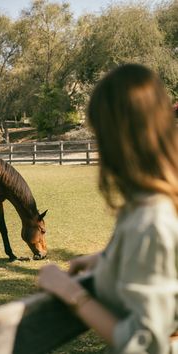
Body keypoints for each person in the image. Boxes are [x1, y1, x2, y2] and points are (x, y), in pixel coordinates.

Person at [38, 63, 178, 354]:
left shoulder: (151, 220)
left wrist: (71, 293)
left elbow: (145, 343)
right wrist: (107, 258)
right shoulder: (156, 203)